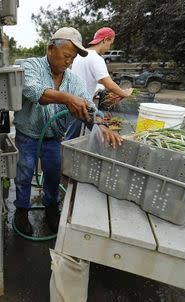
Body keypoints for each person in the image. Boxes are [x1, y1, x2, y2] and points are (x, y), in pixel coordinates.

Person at [13, 27, 122, 235]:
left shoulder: (73, 81)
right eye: (66, 56)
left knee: (53, 173)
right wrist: (66, 98)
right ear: (51, 49)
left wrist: (100, 124)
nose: (69, 62)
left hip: (53, 138)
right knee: (24, 173)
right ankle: (21, 210)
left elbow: (89, 106)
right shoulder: (30, 66)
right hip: (27, 134)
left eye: (72, 59)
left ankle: (51, 207)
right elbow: (33, 91)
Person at [66, 27, 133, 139]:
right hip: (83, 105)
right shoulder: (96, 58)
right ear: (105, 40)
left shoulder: (80, 55)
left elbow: (82, 78)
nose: (109, 47)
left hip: (73, 101)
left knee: (73, 135)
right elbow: (108, 83)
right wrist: (124, 93)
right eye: (110, 43)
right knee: (102, 133)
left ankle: (70, 151)